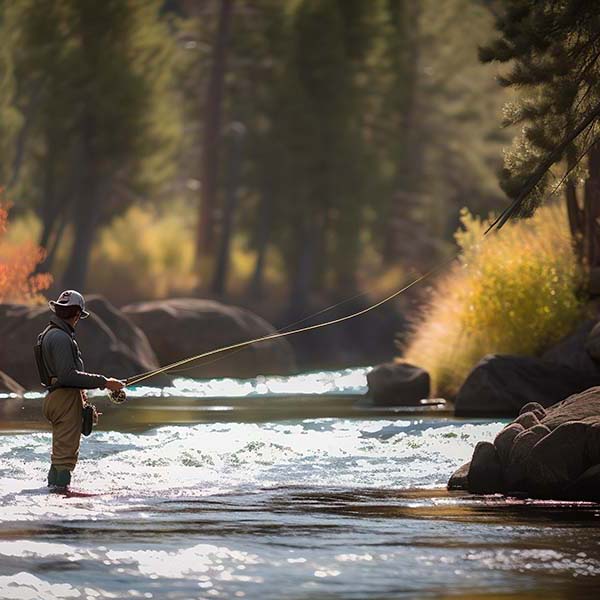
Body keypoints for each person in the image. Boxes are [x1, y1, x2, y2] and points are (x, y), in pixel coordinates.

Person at [35, 290, 125, 489]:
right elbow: (68, 376)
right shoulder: (60, 338)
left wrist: (83, 401)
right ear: (76, 315)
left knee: (59, 456)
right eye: (78, 316)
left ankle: (54, 495)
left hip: (55, 399)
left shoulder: (48, 334)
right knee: (65, 460)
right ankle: (59, 502)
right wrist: (106, 382)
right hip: (65, 401)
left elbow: (63, 376)